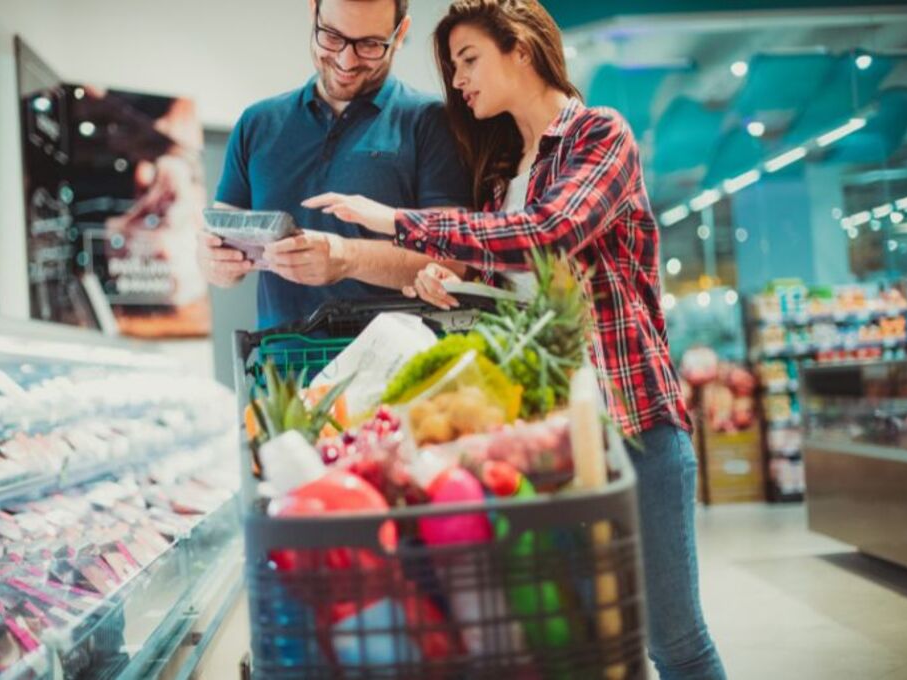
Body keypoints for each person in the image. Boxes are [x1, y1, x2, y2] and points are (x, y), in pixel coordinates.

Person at [303, 1, 728, 678]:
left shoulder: (599, 135)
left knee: (672, 640)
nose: (459, 80)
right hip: (550, 438)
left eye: (468, 59)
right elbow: (514, 287)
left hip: (634, 424)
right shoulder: (503, 179)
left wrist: (399, 223)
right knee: (592, 643)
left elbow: (549, 233)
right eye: (451, 68)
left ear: (522, 49)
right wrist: (452, 282)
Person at [200, 0, 471, 329]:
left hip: (396, 370)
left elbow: (454, 262)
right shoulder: (257, 123)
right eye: (331, 36)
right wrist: (214, 262)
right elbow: (219, 241)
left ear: (401, 34)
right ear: (313, 12)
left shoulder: (431, 122)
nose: (347, 60)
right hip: (281, 367)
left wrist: (346, 258)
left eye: (370, 44)